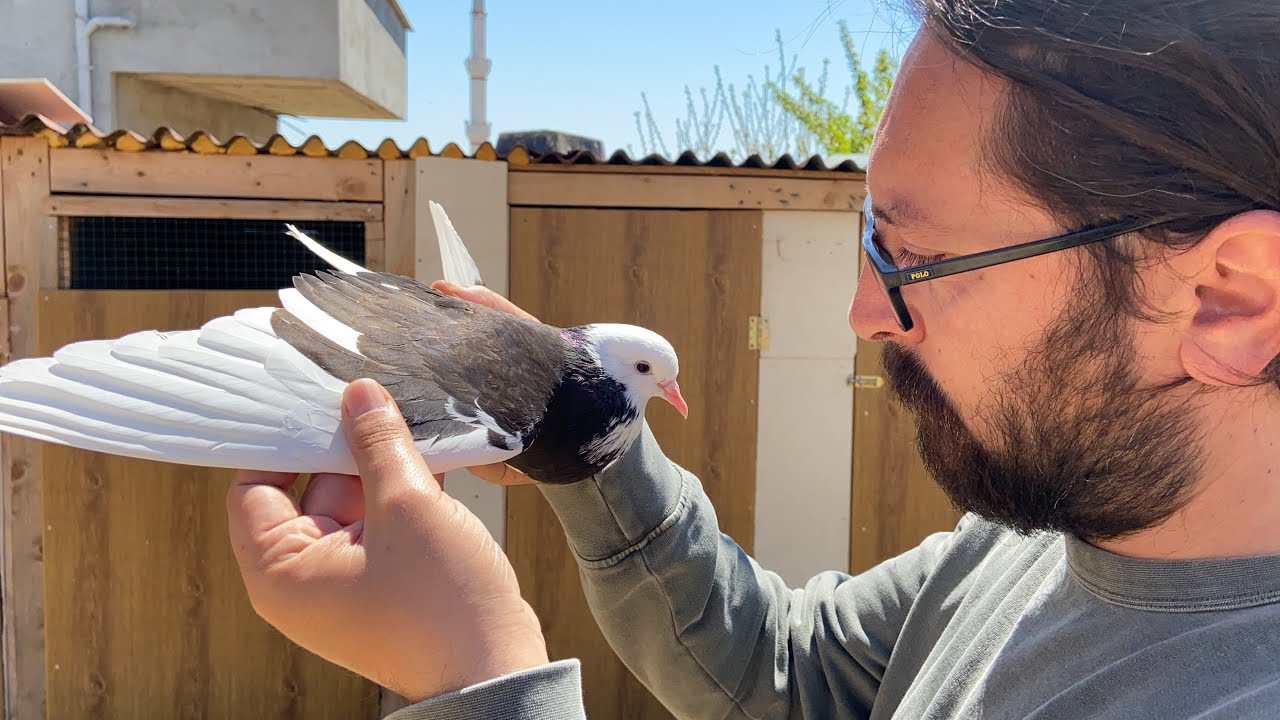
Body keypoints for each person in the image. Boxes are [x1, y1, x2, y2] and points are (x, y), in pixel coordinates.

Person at [227, 0, 1280, 717]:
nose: (865, 313)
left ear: (1228, 298)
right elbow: (781, 673)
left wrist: (476, 683)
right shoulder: (1023, 545)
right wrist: (583, 437)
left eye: (914, 256)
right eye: (870, 239)